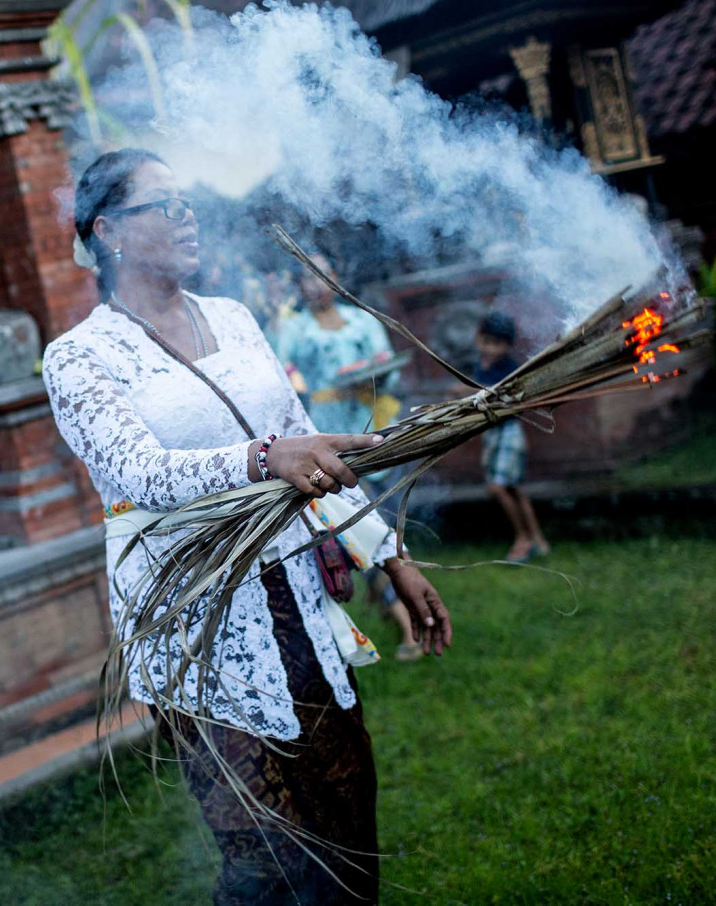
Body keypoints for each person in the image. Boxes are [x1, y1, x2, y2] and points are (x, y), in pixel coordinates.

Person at [42, 148, 452, 905]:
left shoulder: (232, 318)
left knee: (348, 817)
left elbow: (308, 447)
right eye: (164, 203)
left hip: (295, 598)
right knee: (265, 859)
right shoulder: (78, 357)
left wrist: (389, 557)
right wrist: (267, 457)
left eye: (188, 199)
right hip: (198, 624)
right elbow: (141, 474)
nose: (188, 213)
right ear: (110, 232)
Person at [272, 255, 421, 660]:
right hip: (327, 440)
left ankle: (407, 607)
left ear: (336, 279)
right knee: (360, 526)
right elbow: (282, 377)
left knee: (389, 521)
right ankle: (406, 622)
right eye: (307, 278)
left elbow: (385, 365)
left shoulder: (362, 321)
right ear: (298, 286)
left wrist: (373, 375)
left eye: (324, 275)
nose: (317, 285)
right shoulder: (293, 328)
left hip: (374, 430)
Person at [472, 311, 550, 562]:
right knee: (514, 488)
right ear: (478, 339)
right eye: (487, 342)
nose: (491, 349)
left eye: (498, 344)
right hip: (493, 434)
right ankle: (538, 539)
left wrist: (466, 390)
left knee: (499, 487)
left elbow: (493, 395)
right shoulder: (480, 365)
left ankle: (523, 539)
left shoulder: (509, 369)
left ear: (507, 345)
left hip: (508, 432)